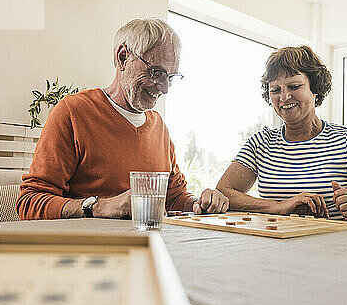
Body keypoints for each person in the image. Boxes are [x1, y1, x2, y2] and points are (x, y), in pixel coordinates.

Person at [17, 18, 228, 220]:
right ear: (123, 57)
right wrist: (101, 206)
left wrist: (199, 203)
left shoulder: (159, 127)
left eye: (170, 77)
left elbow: (174, 198)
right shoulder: (73, 112)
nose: (164, 88)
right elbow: (29, 203)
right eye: (156, 72)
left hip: (149, 249)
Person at [216, 46, 347, 223]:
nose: (284, 97)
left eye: (294, 86)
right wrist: (279, 207)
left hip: (333, 249)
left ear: (315, 89)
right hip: (272, 248)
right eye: (275, 90)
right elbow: (223, 192)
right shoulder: (260, 143)